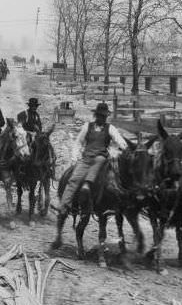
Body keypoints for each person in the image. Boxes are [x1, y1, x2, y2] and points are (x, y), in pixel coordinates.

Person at [52, 102, 128, 248]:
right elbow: (78, 142)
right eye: (100, 116)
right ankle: (64, 205)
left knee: (102, 166)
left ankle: (89, 186)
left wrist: (124, 148)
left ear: (106, 117)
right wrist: (74, 157)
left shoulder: (110, 128)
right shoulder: (87, 127)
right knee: (73, 179)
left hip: (101, 158)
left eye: (104, 116)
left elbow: (120, 140)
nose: (102, 118)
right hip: (86, 158)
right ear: (96, 116)